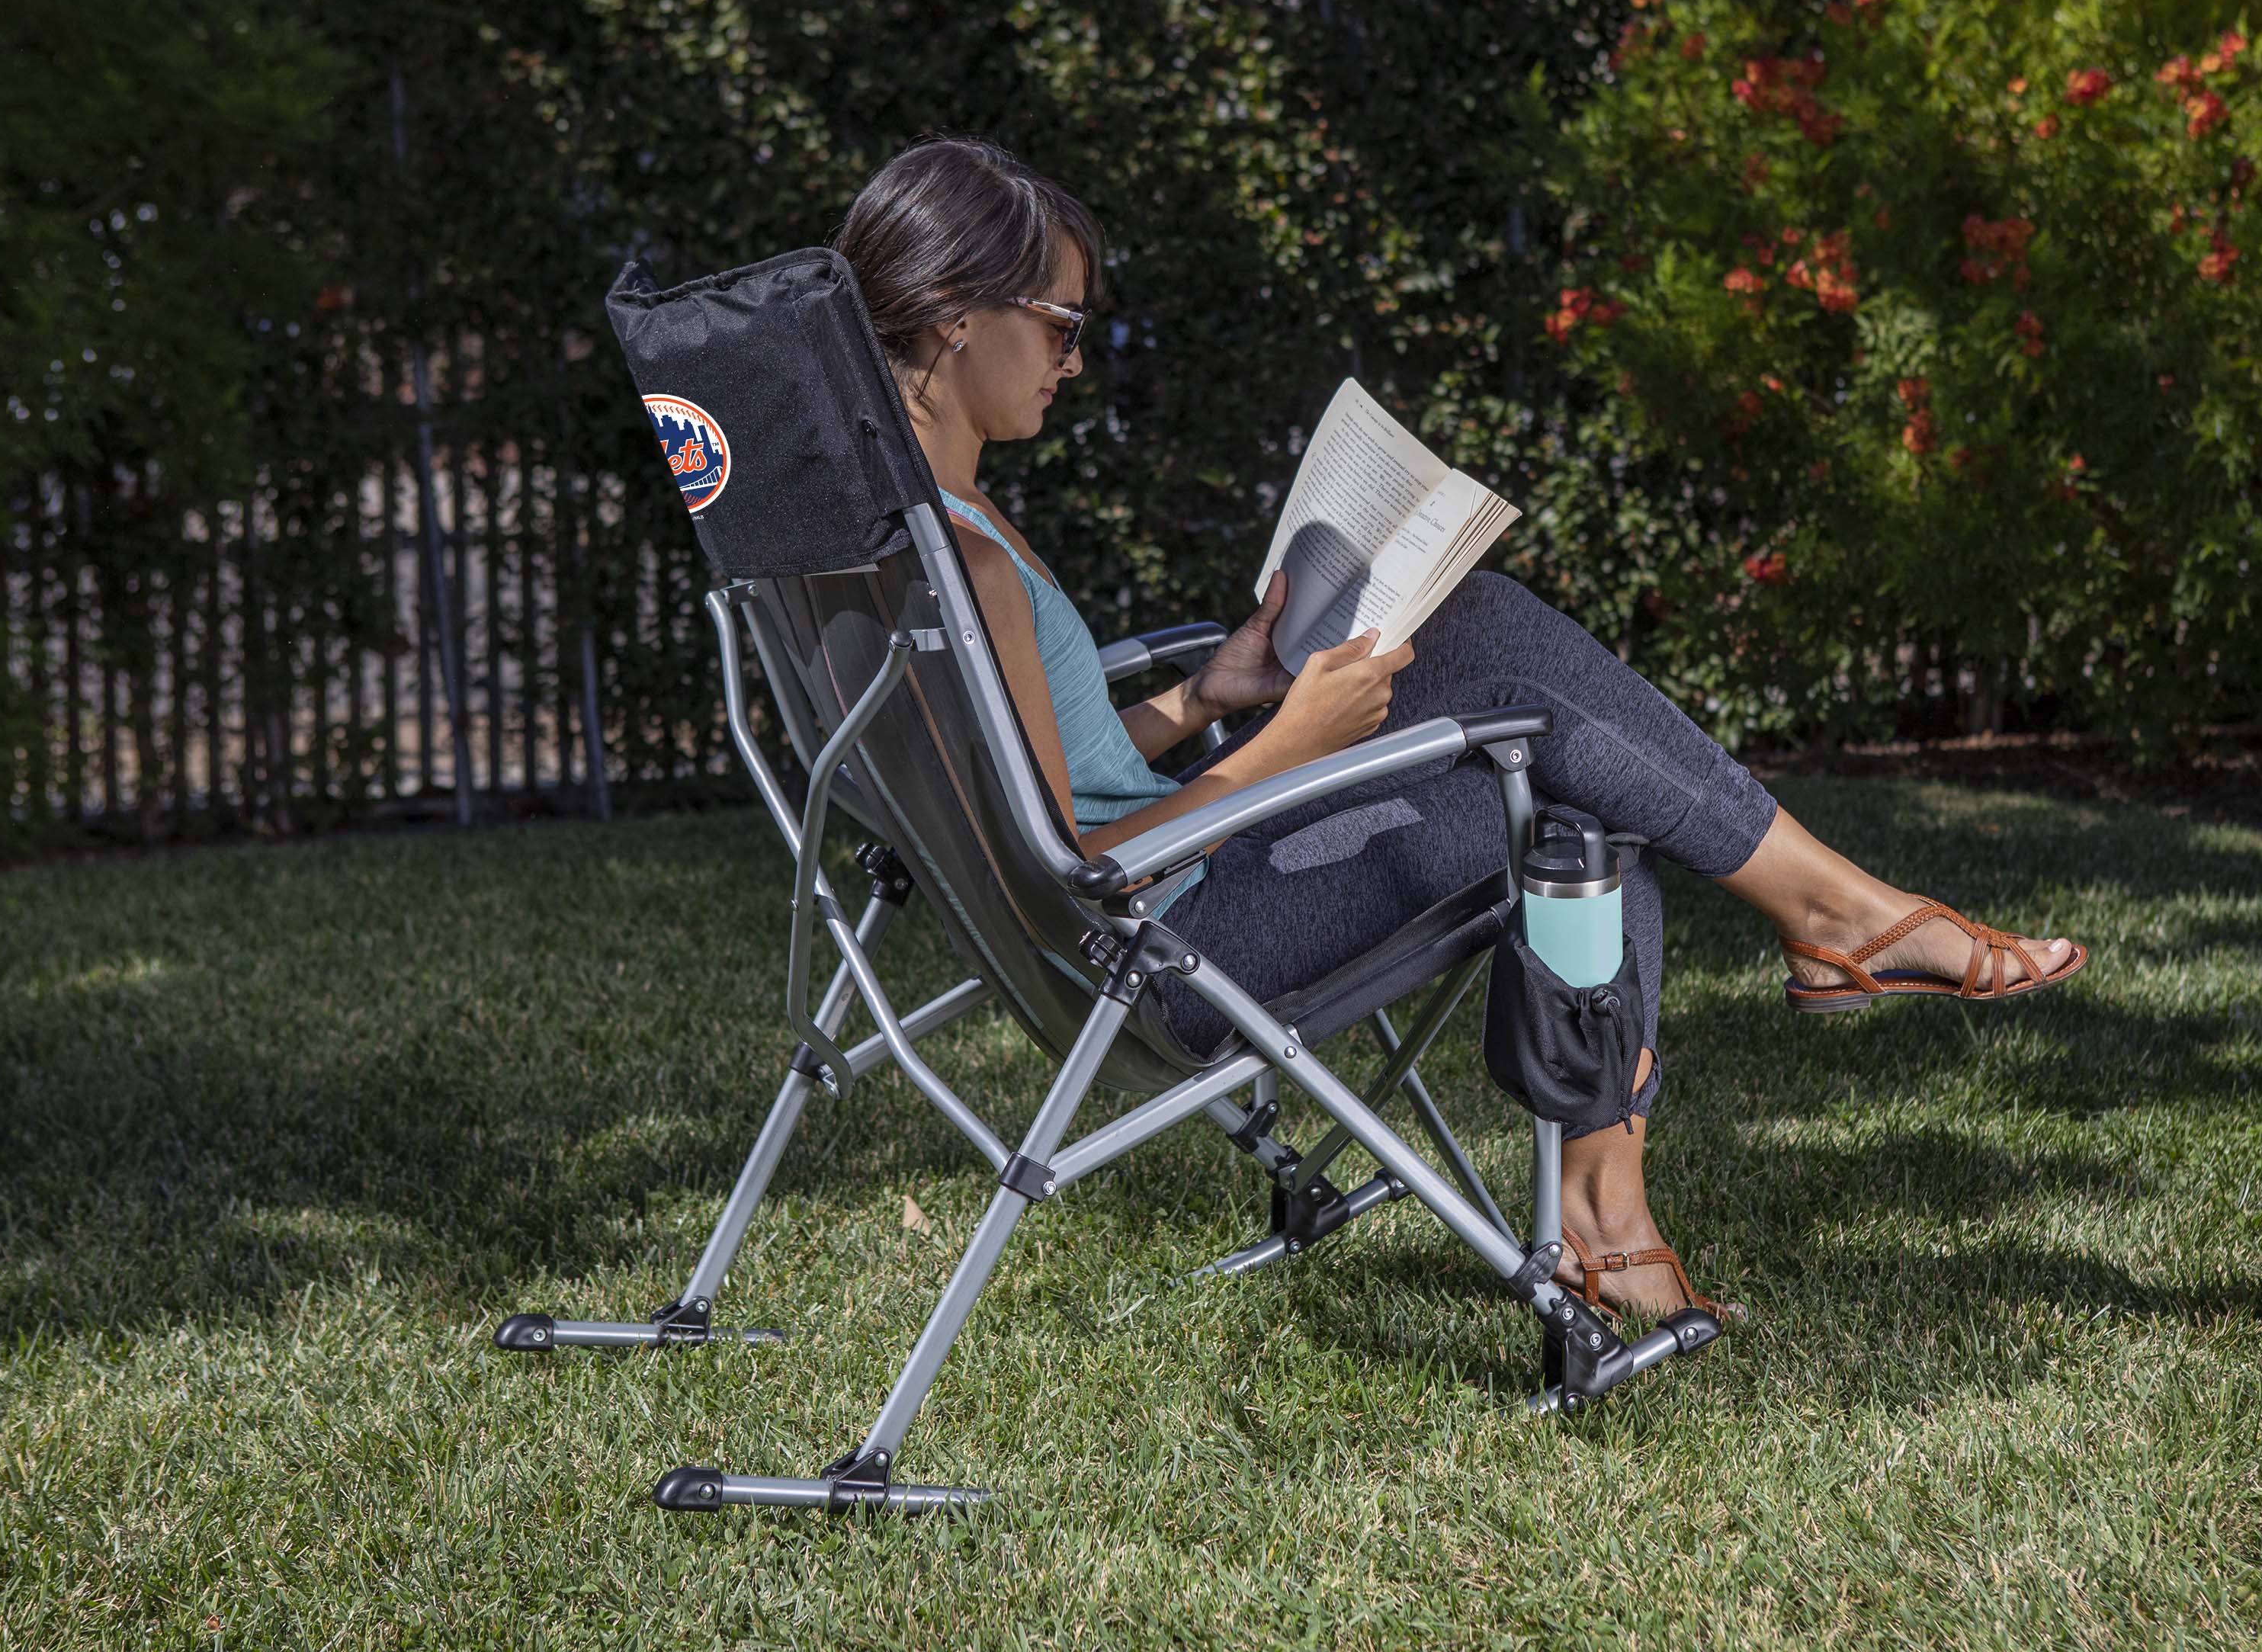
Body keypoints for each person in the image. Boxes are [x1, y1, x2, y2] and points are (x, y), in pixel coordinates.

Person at [835, 136, 2087, 1325]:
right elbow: (1070, 869)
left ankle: (1749, 1035)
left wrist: (1214, 699)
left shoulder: (908, 539)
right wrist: (1291, 746)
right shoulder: (965, 565)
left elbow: (1040, 779)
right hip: (1174, 953)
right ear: (956, 314)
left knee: (1517, 690)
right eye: (1059, 323)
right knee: (1563, 777)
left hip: (1147, 922)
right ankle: (1768, 1011)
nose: (1076, 357)